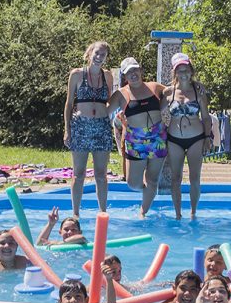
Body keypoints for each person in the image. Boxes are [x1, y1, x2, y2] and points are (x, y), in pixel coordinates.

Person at [107, 57, 168, 218]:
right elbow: (104, 111)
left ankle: (143, 212)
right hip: (136, 140)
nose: (133, 74)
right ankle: (149, 191)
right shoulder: (121, 94)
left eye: (135, 70)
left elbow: (174, 92)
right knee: (133, 183)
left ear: (140, 71)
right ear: (125, 77)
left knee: (152, 179)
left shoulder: (153, 87)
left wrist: (196, 88)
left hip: (158, 138)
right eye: (129, 72)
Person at [64, 41, 115, 216]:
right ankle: (75, 214)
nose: (100, 57)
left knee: (101, 175)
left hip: (102, 127)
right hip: (80, 127)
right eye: (97, 53)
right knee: (78, 174)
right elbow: (69, 103)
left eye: (103, 55)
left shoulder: (107, 76)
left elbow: (110, 102)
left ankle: (103, 212)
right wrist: (67, 130)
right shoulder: (77, 75)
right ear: (90, 53)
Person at [164, 53, 213, 220]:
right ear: (174, 73)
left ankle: (193, 213)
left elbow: (206, 117)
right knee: (175, 178)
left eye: (186, 70)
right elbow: (154, 110)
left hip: (196, 138)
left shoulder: (199, 92)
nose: (183, 73)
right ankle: (178, 214)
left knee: (194, 177)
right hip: (174, 139)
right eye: (179, 70)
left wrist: (207, 137)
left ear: (191, 71)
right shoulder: (168, 92)